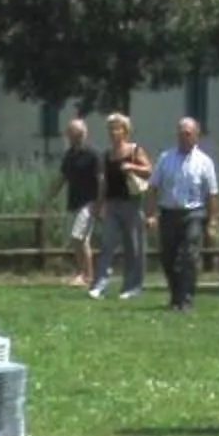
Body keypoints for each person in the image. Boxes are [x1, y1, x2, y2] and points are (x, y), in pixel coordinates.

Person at [146, 115, 218, 311]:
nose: (183, 137)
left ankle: (186, 299)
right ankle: (175, 296)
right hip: (168, 213)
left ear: (196, 135)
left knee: (189, 256)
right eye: (180, 134)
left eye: (187, 134)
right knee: (168, 257)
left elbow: (212, 194)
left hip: (193, 213)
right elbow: (152, 187)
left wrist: (212, 221)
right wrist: (150, 214)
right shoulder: (165, 158)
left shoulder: (205, 162)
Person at [88, 113, 152, 299]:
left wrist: (132, 167)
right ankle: (98, 285)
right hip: (112, 204)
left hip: (132, 203)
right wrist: (99, 205)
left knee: (134, 246)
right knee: (107, 245)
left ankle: (132, 287)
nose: (113, 132)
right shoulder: (106, 155)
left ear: (125, 131)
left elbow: (149, 171)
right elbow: (103, 183)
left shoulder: (135, 150)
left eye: (117, 128)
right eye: (110, 129)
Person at [55, 115, 101, 287]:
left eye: (76, 132)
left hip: (88, 203)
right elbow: (61, 178)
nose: (72, 136)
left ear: (83, 133)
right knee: (78, 240)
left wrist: (99, 203)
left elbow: (101, 180)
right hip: (73, 202)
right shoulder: (69, 156)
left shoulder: (92, 154)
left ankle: (86, 275)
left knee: (79, 237)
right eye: (71, 132)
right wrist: (48, 196)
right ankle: (84, 273)